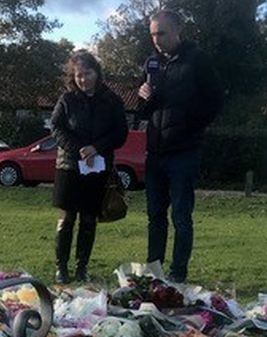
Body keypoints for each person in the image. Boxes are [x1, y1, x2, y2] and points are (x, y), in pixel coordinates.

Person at [138, 9, 224, 283]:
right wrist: (143, 98)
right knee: (155, 215)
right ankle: (154, 272)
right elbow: (142, 112)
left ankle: (177, 274)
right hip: (156, 152)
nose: (156, 40)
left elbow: (216, 101)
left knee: (181, 216)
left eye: (161, 33)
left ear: (177, 30)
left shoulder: (197, 60)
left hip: (184, 152)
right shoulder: (151, 64)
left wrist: (188, 126)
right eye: (152, 34)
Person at [50, 50, 129, 283]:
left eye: (87, 73)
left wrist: (97, 147)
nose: (83, 79)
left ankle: (81, 268)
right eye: (78, 75)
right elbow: (56, 127)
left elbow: (120, 133)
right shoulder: (66, 99)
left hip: (98, 166)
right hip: (69, 166)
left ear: (97, 72)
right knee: (66, 219)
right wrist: (79, 148)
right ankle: (61, 268)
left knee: (88, 219)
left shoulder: (112, 100)